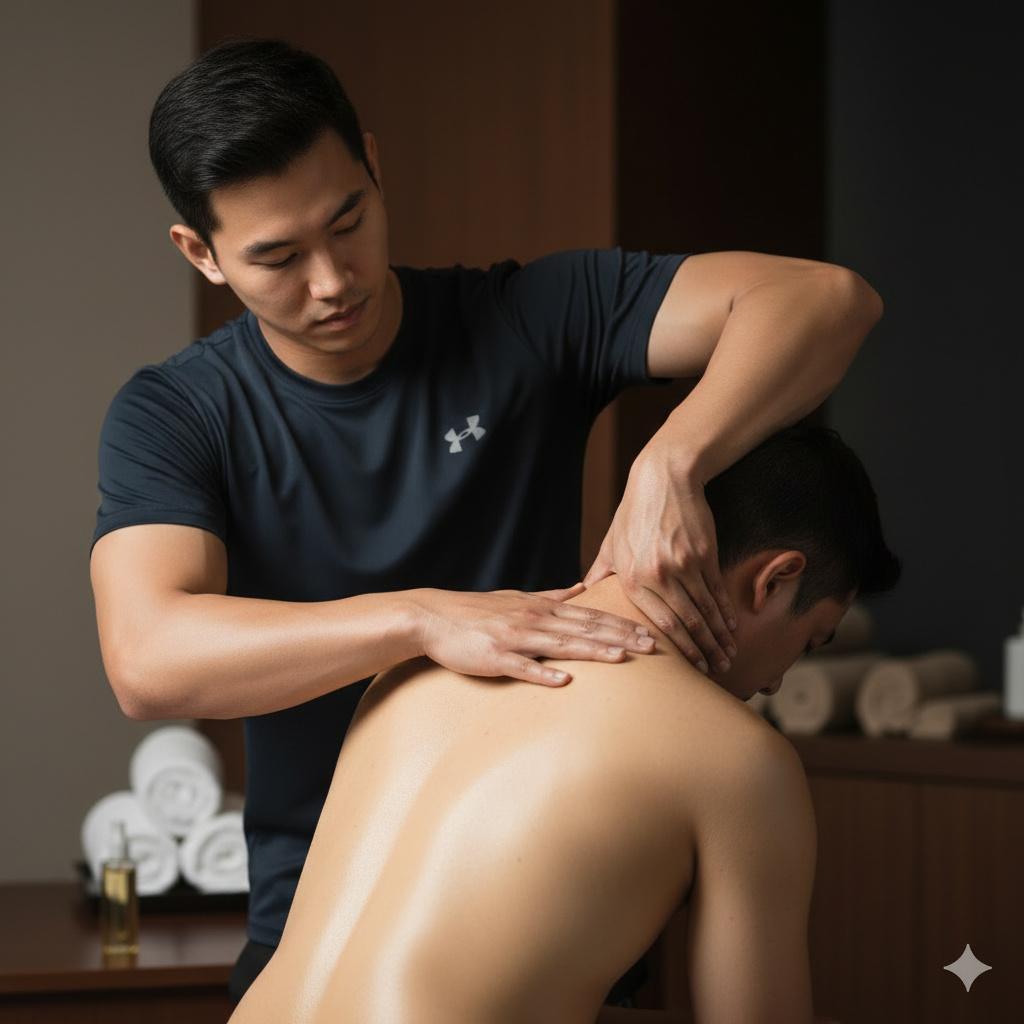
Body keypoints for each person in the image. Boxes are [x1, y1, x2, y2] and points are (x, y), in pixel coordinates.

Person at [87, 39, 885, 1007]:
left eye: (349, 222)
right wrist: (426, 619)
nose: (333, 280)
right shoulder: (179, 412)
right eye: (279, 258)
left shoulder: (525, 320)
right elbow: (147, 655)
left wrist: (670, 457)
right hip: (306, 915)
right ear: (200, 253)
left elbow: (828, 301)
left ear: (376, 168)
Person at [226, 423, 900, 1024]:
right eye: (810, 640)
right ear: (776, 579)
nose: (779, 681)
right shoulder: (739, 759)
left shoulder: (410, 669)